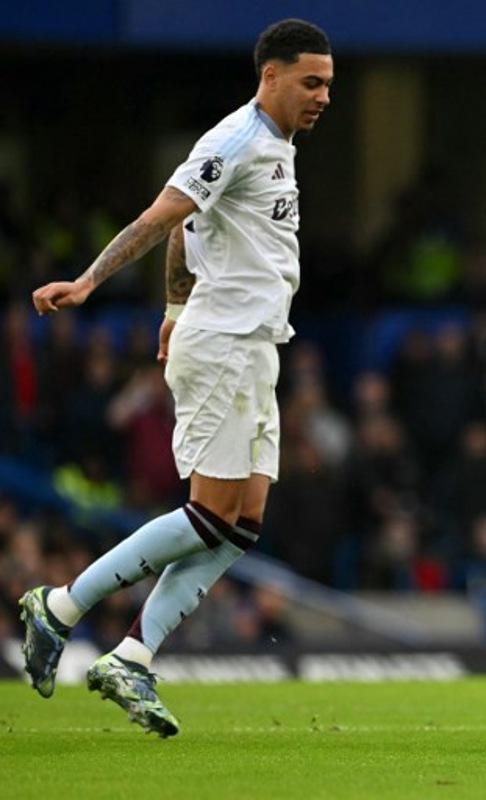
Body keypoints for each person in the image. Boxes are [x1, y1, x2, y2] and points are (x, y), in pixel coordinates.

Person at [19, 18, 334, 737]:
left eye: (328, 85)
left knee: (242, 525)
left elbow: (192, 236)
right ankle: (62, 606)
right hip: (223, 343)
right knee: (213, 514)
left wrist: (169, 306)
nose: (322, 97)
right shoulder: (235, 140)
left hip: (254, 347)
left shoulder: (277, 147)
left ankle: (132, 654)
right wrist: (90, 281)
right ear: (271, 76)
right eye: (311, 82)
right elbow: (165, 215)